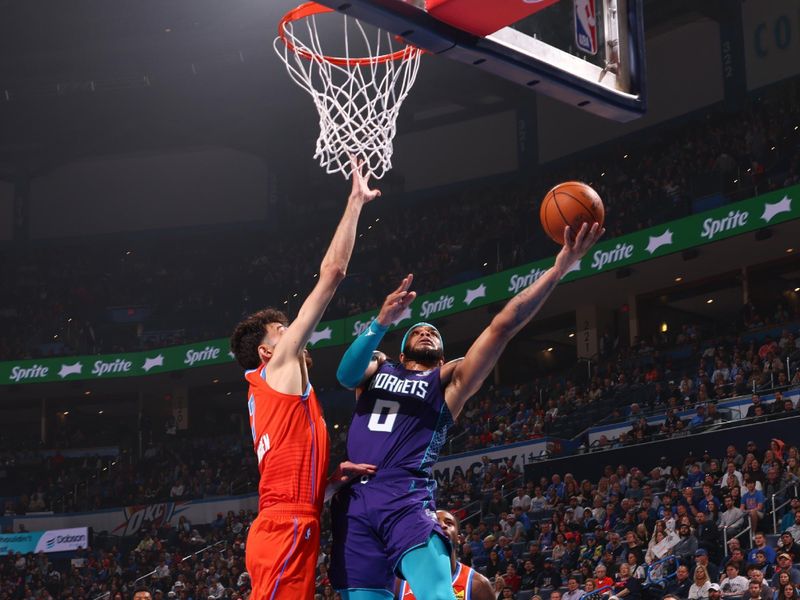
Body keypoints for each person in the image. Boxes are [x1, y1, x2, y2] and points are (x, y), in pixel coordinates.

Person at [330, 222, 603, 599]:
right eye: (417, 330)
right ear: (403, 349)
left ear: (442, 354)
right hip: (355, 502)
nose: (426, 331)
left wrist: (559, 268)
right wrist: (379, 323)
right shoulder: (377, 366)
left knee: (437, 594)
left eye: (434, 333)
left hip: (405, 496)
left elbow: (502, 327)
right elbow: (345, 375)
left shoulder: (449, 380)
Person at [230, 160, 380, 599]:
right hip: (287, 524)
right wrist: (354, 203)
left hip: (290, 520)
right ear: (267, 351)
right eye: (284, 331)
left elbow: (285, 465)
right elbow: (332, 274)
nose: (293, 331)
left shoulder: (271, 389)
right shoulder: (277, 368)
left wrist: (330, 479)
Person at [396, 509, 494, 600]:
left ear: (459, 539)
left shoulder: (479, 585)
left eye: (449, 523)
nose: (442, 526)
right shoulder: (400, 583)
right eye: (435, 522)